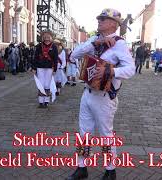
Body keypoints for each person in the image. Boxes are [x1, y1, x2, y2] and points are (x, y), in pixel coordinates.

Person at [67, 8, 135, 180]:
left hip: (104, 97)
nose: (99, 21)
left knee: (106, 134)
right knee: (84, 133)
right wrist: (95, 44)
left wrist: (111, 72)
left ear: (114, 24)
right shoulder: (93, 39)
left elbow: (131, 70)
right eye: (99, 18)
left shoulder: (120, 44)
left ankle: (110, 170)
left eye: (103, 19)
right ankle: (82, 167)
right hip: (87, 93)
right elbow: (73, 55)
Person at [31, 29, 58, 108]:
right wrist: (34, 67)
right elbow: (35, 57)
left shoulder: (54, 47)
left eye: (48, 36)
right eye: (45, 36)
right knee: (41, 84)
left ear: (51, 37)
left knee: (47, 84)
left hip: (50, 68)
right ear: (43, 37)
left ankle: (46, 101)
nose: (46, 37)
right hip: (40, 67)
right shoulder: (39, 46)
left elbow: (55, 59)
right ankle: (40, 101)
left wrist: (55, 69)